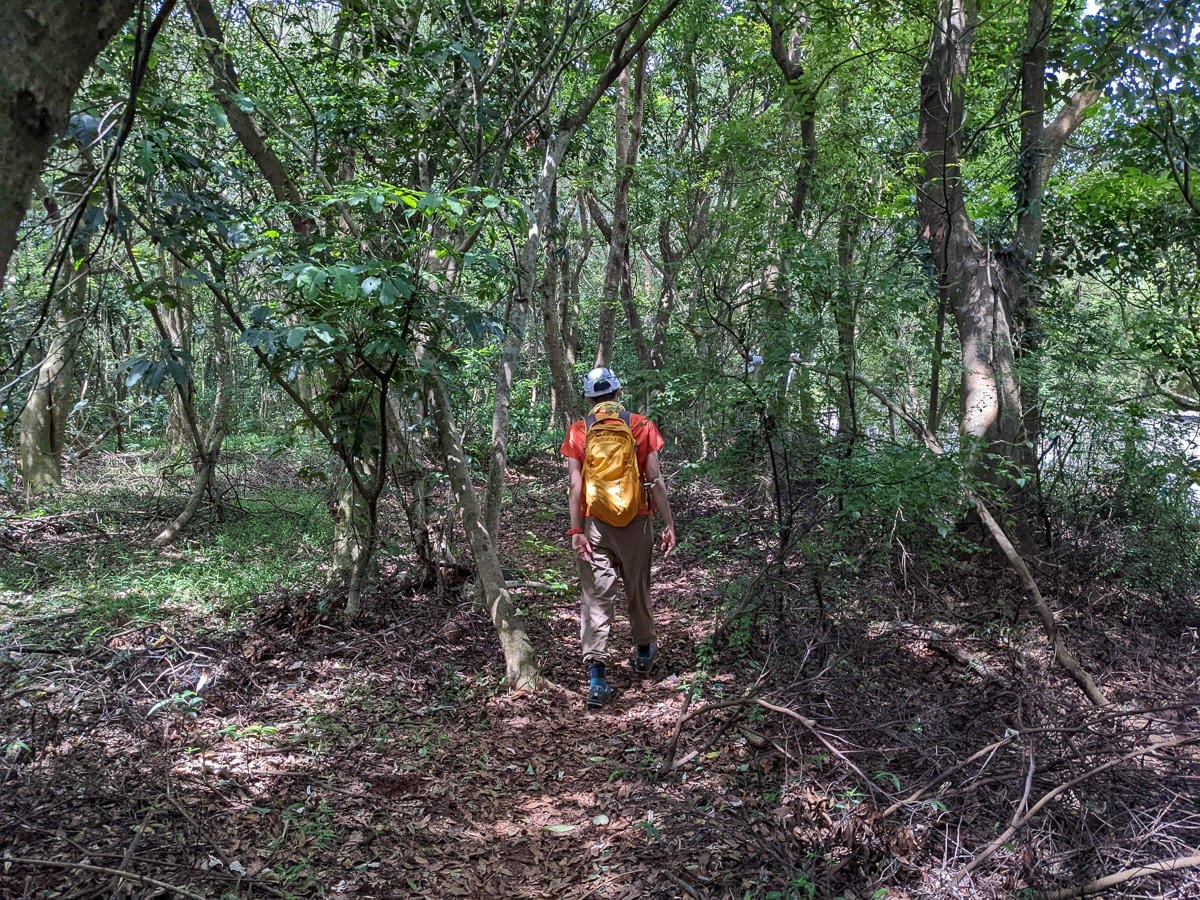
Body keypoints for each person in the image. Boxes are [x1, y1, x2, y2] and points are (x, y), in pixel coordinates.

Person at [559, 366, 677, 707]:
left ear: (589, 398)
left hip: (596, 523)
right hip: (637, 522)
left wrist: (577, 529)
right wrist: (668, 523)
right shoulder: (640, 425)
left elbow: (575, 485)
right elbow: (654, 480)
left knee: (596, 597)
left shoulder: (579, 431)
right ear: (618, 392)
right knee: (637, 587)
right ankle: (643, 654)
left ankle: (597, 679)